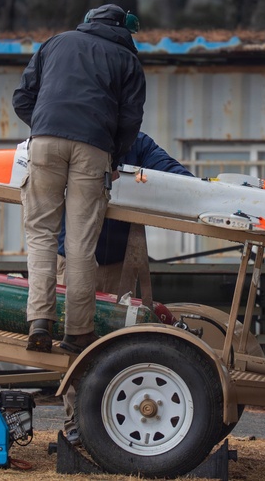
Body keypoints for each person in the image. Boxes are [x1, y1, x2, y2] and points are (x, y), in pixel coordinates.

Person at [12, 4, 145, 355]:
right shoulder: (127, 59)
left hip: (43, 143)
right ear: (123, 29)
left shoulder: (54, 43)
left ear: (87, 22)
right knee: (81, 245)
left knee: (41, 235)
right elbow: (131, 119)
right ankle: (78, 332)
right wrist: (112, 156)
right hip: (94, 148)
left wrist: (45, 128)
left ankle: (39, 320)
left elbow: (22, 98)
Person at [57, 132, 193, 444]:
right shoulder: (74, 137)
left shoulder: (137, 143)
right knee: (73, 342)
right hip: (74, 256)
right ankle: (76, 422)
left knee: (118, 345)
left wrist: (147, 180)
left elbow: (177, 176)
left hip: (118, 262)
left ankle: (107, 425)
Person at [56, 132, 194, 294]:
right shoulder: (74, 139)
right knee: (69, 317)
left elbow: (170, 170)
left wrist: (198, 188)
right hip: (72, 261)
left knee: (118, 319)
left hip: (119, 268)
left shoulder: (137, 143)